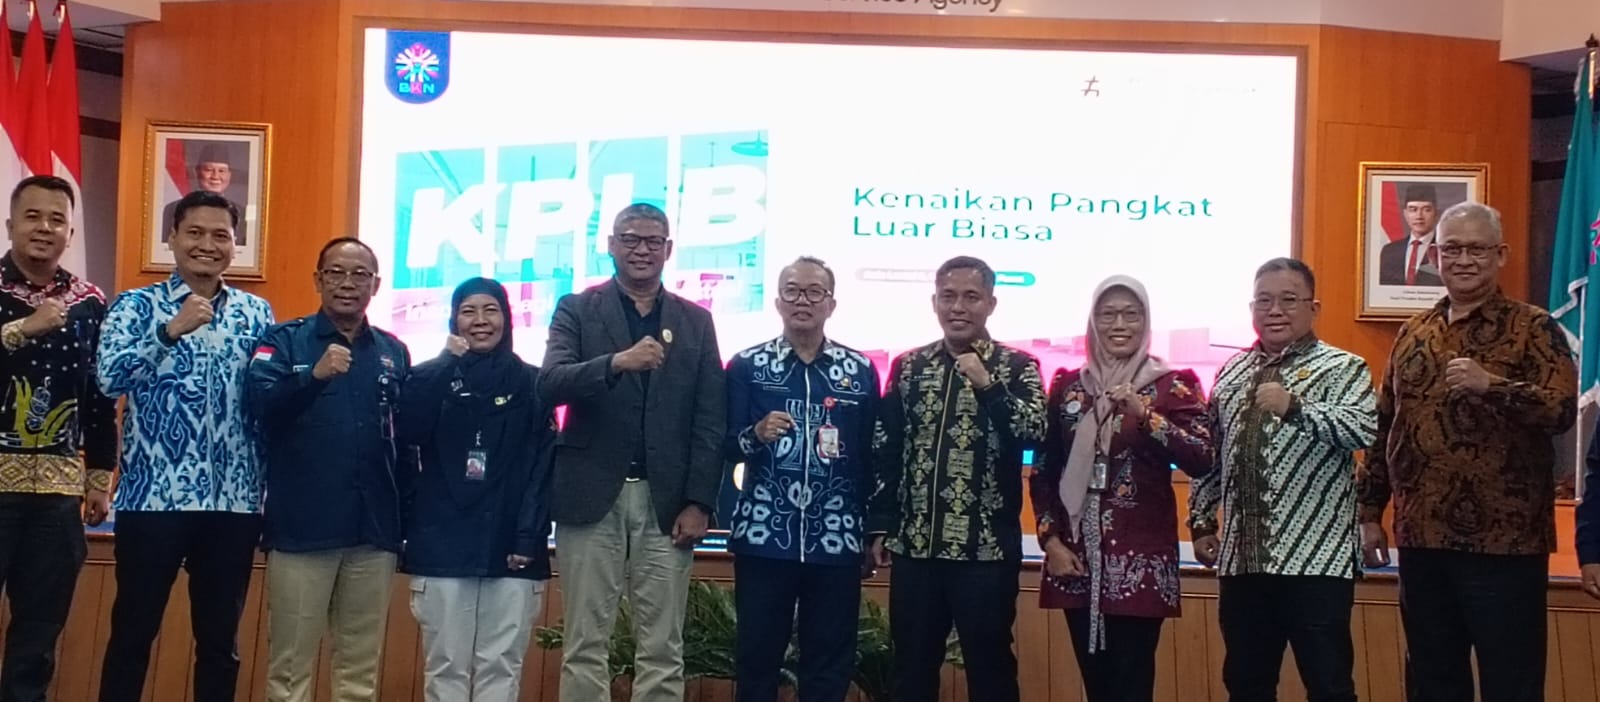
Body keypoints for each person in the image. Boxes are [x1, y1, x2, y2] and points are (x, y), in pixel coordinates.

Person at [1359, 202, 1576, 702]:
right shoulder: (1413, 332)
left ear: (1500, 255)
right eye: (1452, 249)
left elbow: (1562, 410)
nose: (1463, 260)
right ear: (1435, 256)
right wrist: (1370, 512)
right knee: (1432, 679)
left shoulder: (1534, 327)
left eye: (1476, 249)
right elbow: (1385, 426)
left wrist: (1492, 386)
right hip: (1422, 537)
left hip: (1505, 545)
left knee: (1511, 682)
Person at [540, 203, 726, 702]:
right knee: (585, 641)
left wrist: (699, 501)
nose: (641, 250)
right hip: (590, 496)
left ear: (668, 249)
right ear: (610, 245)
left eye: (652, 241)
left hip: (668, 504)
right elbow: (550, 384)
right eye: (630, 239)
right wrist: (616, 363)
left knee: (663, 646)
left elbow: (710, 418)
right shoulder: (577, 309)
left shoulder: (696, 321)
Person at [95, 190, 275, 702]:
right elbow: (107, 380)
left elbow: (267, 397)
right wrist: (168, 332)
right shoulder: (136, 306)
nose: (207, 245)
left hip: (234, 503)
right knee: (132, 634)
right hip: (154, 499)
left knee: (220, 644)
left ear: (235, 245)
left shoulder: (256, 312)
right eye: (194, 232)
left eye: (221, 235)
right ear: (171, 237)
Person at [1188, 257, 1375, 702]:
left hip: (1317, 562)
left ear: (1314, 307)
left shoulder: (1344, 367)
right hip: (1243, 561)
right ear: (1251, 308)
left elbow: (1363, 429)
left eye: (1288, 300)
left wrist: (1296, 407)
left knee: (1329, 687)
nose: (1275, 311)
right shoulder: (1230, 372)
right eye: (1264, 301)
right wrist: (1201, 521)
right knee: (1246, 686)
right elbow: (1211, 454)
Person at [867, 255, 1046, 702]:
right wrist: (881, 523)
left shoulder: (1017, 367)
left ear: (991, 304)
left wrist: (989, 386)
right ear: (934, 302)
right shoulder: (909, 366)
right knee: (910, 672)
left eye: (971, 297)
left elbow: (1035, 432)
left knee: (991, 672)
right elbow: (887, 448)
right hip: (916, 548)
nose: (958, 307)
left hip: (984, 552)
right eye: (948, 297)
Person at [1030, 275, 1212, 702]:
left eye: (1131, 315)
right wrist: (1051, 541)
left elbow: (1203, 457)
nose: (1119, 324)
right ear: (1092, 322)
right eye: (1108, 314)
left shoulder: (1172, 384)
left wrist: (1146, 416)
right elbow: (1044, 468)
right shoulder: (1069, 387)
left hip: (1140, 562)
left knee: (1131, 682)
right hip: (1075, 557)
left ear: (1146, 322)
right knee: (1096, 683)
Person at [247, 238, 411, 702]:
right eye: (336, 272)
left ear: (376, 285)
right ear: (318, 280)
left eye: (360, 274)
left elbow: (406, 439)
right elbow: (259, 408)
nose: (347, 283)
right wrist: (311, 377)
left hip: (373, 533)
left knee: (359, 673)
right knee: (290, 671)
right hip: (302, 533)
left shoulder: (393, 351)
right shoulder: (283, 341)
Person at [724, 256, 879, 702]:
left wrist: (873, 529)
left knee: (829, 663)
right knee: (756, 659)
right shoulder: (747, 366)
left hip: (836, 538)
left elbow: (873, 454)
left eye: (814, 292)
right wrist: (755, 434)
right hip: (764, 537)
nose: (802, 301)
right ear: (777, 302)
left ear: (831, 304)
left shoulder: (859, 370)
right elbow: (722, 443)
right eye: (792, 291)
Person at [399, 277, 555, 702]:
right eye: (468, 311)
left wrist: (527, 536)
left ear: (507, 318)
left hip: (513, 547)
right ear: (454, 320)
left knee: (501, 666)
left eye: (491, 310)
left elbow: (542, 468)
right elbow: (409, 430)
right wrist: (446, 362)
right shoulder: (429, 377)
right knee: (446, 666)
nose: (480, 321)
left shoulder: (535, 384)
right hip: (442, 544)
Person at [0, 175, 115, 702]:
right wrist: (21, 329)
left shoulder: (89, 302)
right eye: (33, 216)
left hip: (57, 497)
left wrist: (99, 478)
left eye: (56, 219)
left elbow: (99, 396)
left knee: (38, 636)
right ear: (10, 225)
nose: (44, 227)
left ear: (70, 232)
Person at [161, 144, 245, 245]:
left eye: (221, 171)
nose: (215, 176)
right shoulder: (172, 209)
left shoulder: (241, 212)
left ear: (229, 175)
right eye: (209, 170)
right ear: (197, 172)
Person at [1378, 184, 1442, 286]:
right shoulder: (1389, 251)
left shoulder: (1445, 251)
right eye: (1413, 209)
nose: (1419, 216)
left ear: (1436, 213)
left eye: (1426, 210)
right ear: (1405, 213)